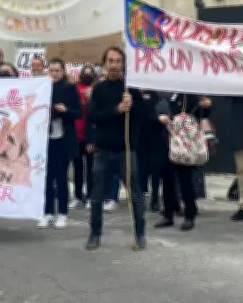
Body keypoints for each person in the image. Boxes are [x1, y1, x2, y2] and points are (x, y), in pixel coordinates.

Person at [86, 46, 147, 251]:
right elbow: (94, 116)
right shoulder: (99, 89)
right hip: (103, 150)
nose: (114, 65)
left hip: (126, 150)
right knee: (97, 196)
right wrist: (117, 110)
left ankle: (140, 234)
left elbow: (144, 116)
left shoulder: (131, 88)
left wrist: (133, 105)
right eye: (110, 61)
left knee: (135, 195)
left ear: (123, 64)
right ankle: (95, 234)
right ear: (105, 63)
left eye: (118, 61)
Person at [154, 93, 212, 231]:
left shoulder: (189, 96)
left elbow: (202, 114)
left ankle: (189, 215)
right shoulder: (165, 94)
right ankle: (168, 214)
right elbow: (155, 109)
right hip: (167, 142)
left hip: (185, 144)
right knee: (167, 180)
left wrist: (206, 106)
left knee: (185, 180)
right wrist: (159, 117)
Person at [38, 58, 82, 229]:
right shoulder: (43, 87)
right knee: (47, 178)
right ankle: (47, 212)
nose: (54, 74)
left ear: (63, 72)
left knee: (61, 177)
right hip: (45, 138)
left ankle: (62, 213)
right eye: (51, 70)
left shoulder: (70, 88)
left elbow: (78, 112)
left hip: (63, 138)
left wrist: (66, 110)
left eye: (57, 71)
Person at [70, 65, 97, 209]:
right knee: (77, 167)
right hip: (76, 134)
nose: (87, 76)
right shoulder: (75, 88)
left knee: (91, 168)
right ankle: (78, 195)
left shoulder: (96, 89)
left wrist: (90, 99)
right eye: (85, 73)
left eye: (90, 73)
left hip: (90, 135)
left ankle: (91, 196)